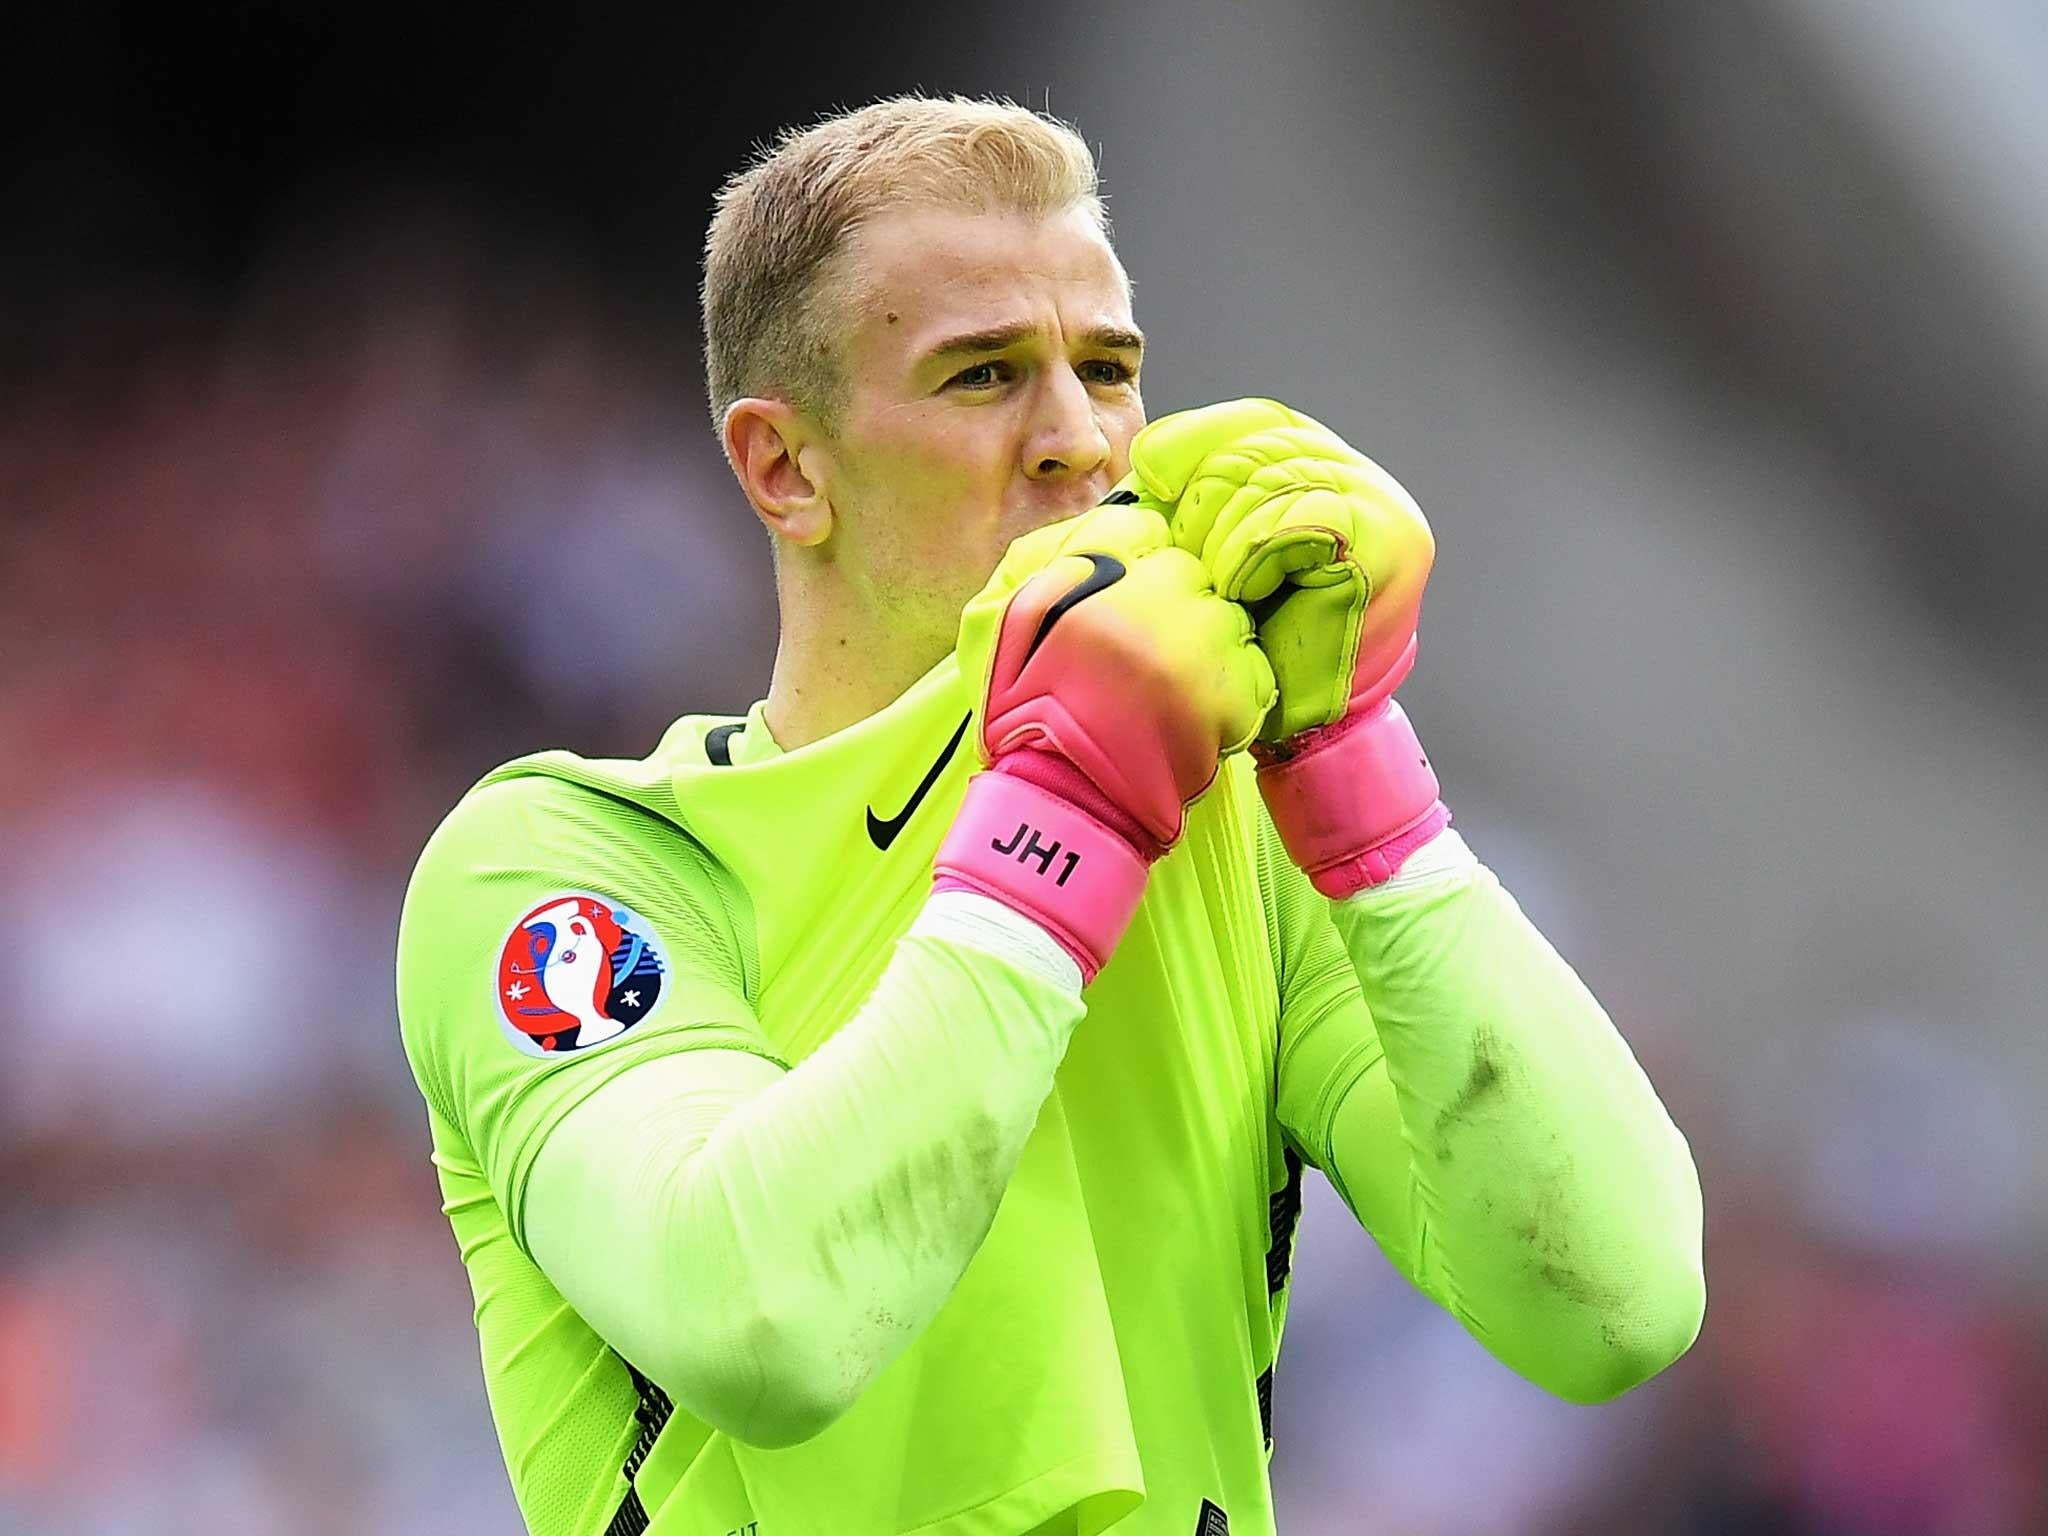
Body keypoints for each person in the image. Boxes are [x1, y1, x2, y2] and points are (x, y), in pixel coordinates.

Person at [396, 94, 1706, 1536]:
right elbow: (762, 1322)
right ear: (785, 468)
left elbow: (1613, 1303)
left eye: (1109, 368)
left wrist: (1348, 756)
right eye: (983, 376)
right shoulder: (570, 870)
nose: (1079, 441)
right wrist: (1063, 812)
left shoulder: (1227, 828)